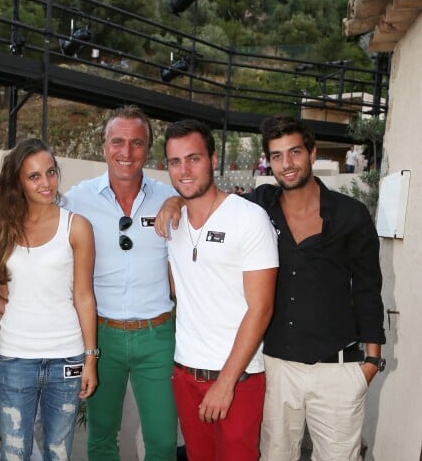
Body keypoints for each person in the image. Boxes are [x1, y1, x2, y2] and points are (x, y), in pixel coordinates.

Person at [155, 115, 386, 461]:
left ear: (312, 153)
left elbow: (369, 288)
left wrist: (371, 361)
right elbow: (206, 198)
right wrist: (173, 202)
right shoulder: (261, 204)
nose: (287, 164)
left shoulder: (350, 215)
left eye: (294, 152)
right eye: (276, 156)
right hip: (278, 366)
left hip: (338, 368)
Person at [64, 105, 178, 460]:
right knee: (101, 438)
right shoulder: (76, 199)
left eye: (136, 143)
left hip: (158, 336)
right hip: (101, 337)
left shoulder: (170, 198)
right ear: (103, 145)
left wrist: (179, 200)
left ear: (148, 149)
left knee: (162, 442)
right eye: (117, 141)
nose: (126, 153)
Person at [164, 120, 278, 461]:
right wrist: (173, 203)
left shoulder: (249, 218)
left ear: (214, 160)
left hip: (237, 379)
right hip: (185, 373)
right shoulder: (172, 221)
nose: (184, 170)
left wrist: (226, 383)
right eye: (174, 162)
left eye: (193, 158)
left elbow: (261, 308)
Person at [0, 138, 98, 461]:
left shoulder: (76, 226)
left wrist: (90, 359)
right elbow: (2, 291)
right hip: (15, 358)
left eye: (50, 172)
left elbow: (84, 296)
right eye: (34, 176)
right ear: (19, 182)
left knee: (57, 452)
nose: (46, 183)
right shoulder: (5, 227)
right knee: (13, 452)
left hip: (66, 358)